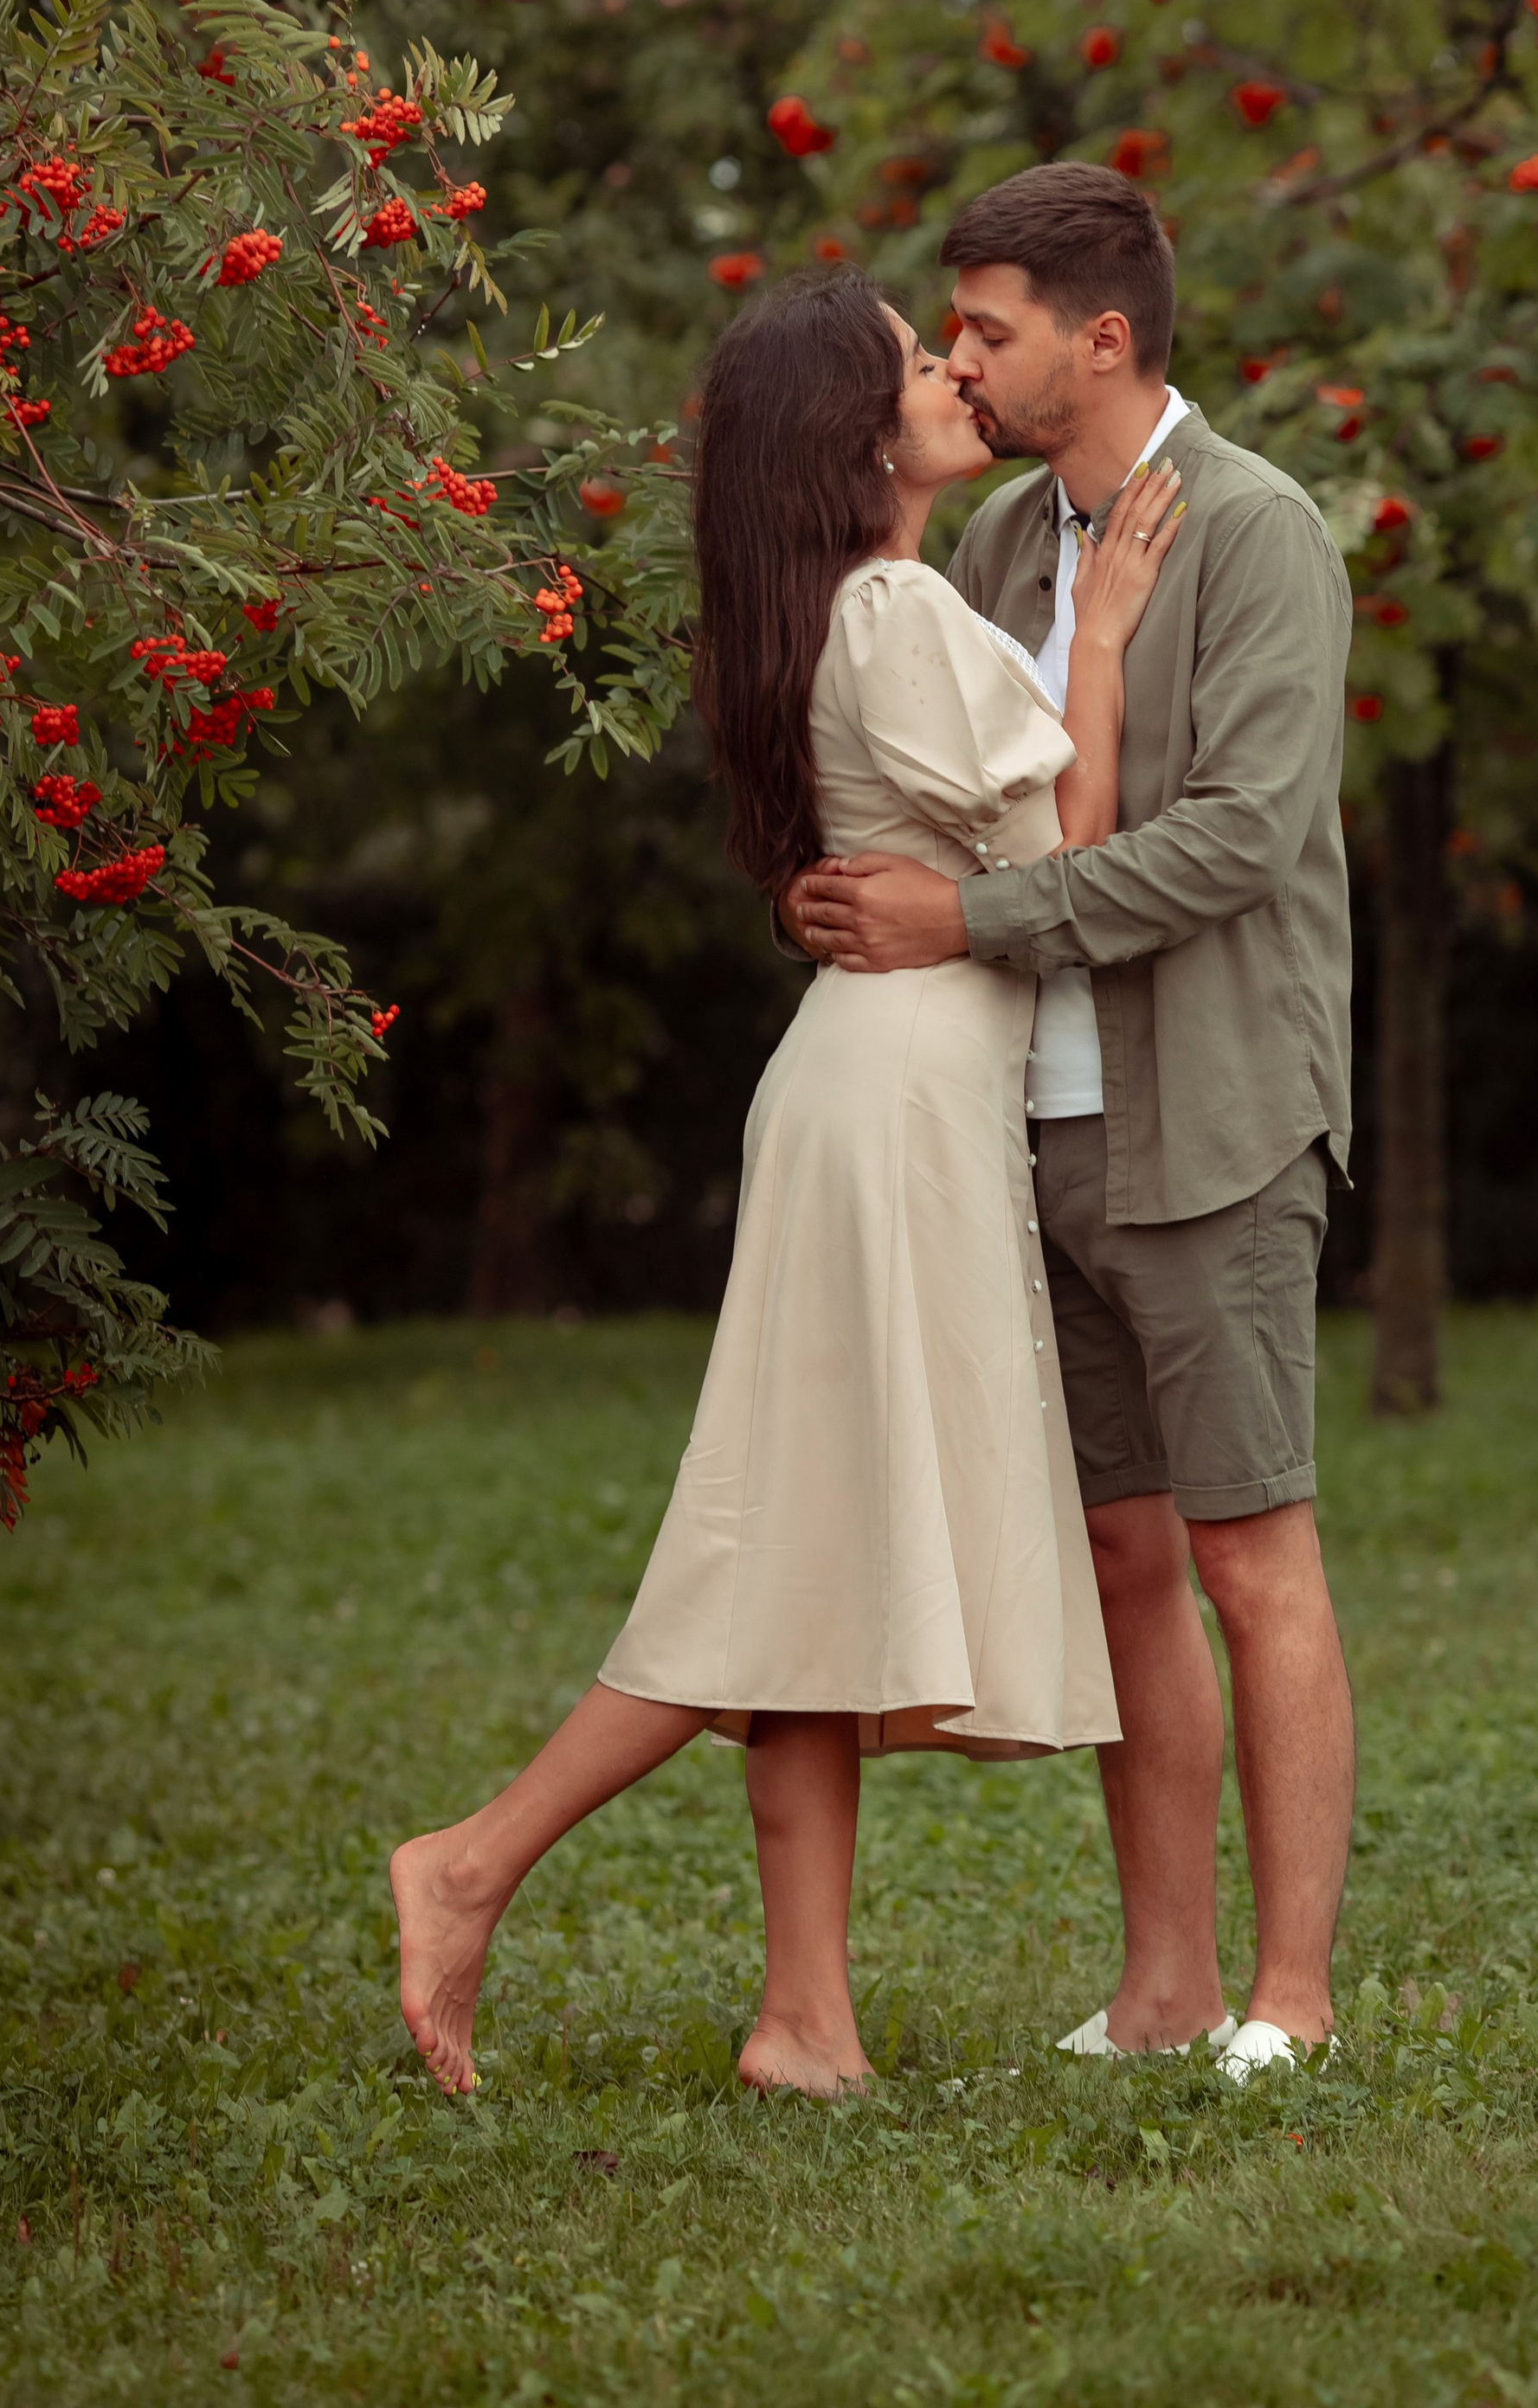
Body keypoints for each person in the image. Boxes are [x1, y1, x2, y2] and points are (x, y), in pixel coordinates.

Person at [389, 266, 1184, 2101]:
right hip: (894, 1098)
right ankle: (474, 1859)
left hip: (862, 1077)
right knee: (772, 1550)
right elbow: (1071, 847)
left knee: (808, 1543)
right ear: (855, 431)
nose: (952, 377)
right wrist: (1112, 633)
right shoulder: (896, 602)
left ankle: (803, 2020)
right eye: (921, 361)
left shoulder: (823, 610)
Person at [787, 164, 1357, 2083]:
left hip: (1211, 1119)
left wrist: (968, 915)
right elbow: (977, 806)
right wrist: (862, 883)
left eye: (990, 329)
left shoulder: (1261, 532)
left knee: (1248, 1554)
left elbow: (1232, 842)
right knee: (1125, 1556)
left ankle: (1293, 1999)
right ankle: (1166, 1985)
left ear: (1099, 339)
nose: (960, 357)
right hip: (1025, 1128)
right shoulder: (1006, 540)